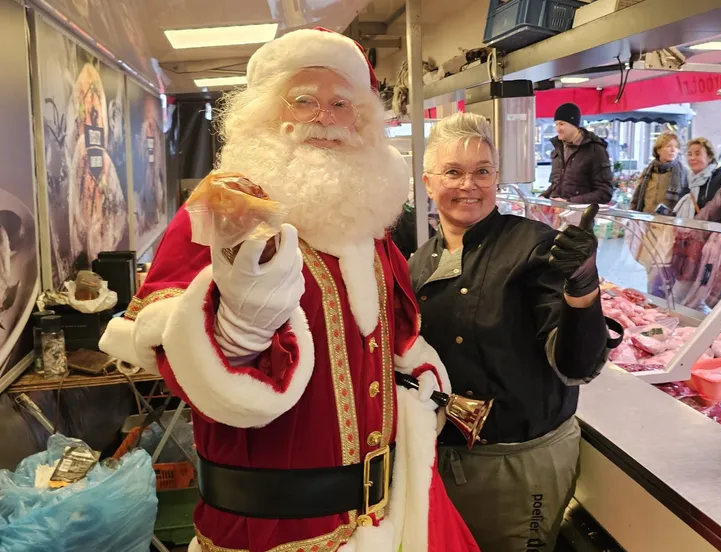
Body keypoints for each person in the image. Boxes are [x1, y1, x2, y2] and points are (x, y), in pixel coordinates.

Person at [99, 28, 479, 552]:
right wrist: (240, 324)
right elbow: (173, 352)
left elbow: (392, 334)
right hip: (271, 529)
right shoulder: (220, 215)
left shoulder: (368, 228)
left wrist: (415, 369)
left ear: (361, 119)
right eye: (304, 101)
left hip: (380, 514)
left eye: (341, 104)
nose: (325, 117)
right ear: (264, 114)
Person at [409, 112, 613, 551]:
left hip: (518, 463)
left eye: (482, 172)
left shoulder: (535, 246)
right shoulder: (419, 261)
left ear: (496, 178)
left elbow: (577, 364)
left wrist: (582, 285)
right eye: (453, 172)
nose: (469, 185)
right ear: (428, 182)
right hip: (443, 459)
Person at [540, 103, 613, 204]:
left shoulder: (595, 150)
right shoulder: (558, 149)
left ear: (573, 124)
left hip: (582, 217)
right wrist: (543, 197)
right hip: (557, 215)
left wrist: (570, 202)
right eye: (556, 124)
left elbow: (605, 192)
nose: (557, 129)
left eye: (561, 124)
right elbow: (557, 184)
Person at [630, 131, 689, 213]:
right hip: (645, 219)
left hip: (670, 222)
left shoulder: (683, 173)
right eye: (668, 146)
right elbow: (636, 198)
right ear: (658, 150)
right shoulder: (648, 171)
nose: (673, 150)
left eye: (676, 147)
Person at [682, 137, 721, 222]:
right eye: (689, 154)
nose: (692, 158)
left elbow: (719, 213)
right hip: (690, 230)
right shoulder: (688, 180)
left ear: (709, 157)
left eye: (697, 154)